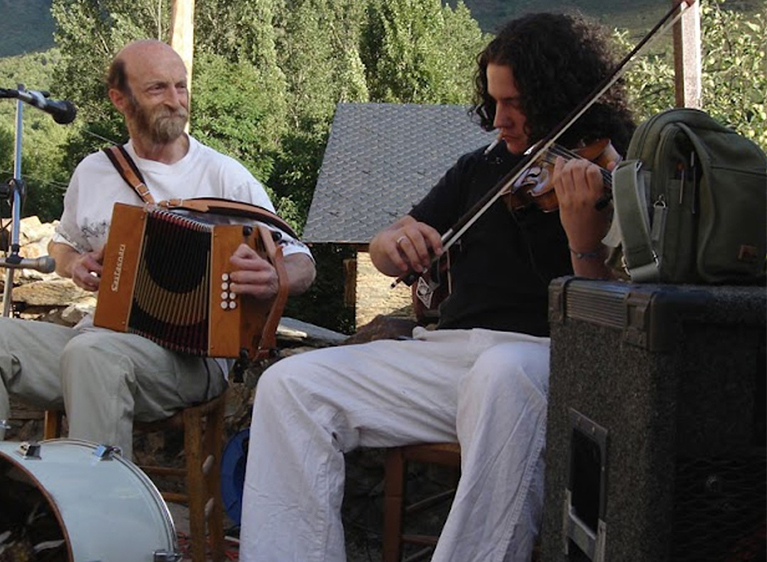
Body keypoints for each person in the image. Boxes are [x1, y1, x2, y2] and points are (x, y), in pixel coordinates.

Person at [238, 12, 635, 562]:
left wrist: (583, 239)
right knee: (290, 385)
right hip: (448, 356)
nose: (501, 120)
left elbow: (616, 315)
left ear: (561, 94)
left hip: (545, 362)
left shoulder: (625, 169)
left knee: (500, 374)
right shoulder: (481, 168)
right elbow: (387, 246)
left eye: (516, 103)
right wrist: (391, 241)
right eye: (494, 102)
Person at [0, 40, 316, 459]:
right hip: (99, 339)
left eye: (181, 87)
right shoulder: (95, 170)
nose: (175, 101)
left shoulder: (223, 176)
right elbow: (63, 243)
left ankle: (103, 513)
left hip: (192, 362)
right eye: (158, 89)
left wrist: (274, 278)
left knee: (90, 353)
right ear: (120, 99)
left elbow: (302, 261)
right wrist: (74, 264)